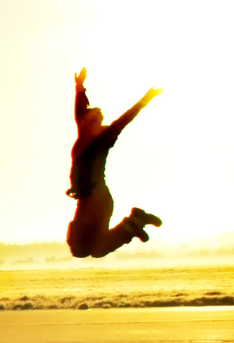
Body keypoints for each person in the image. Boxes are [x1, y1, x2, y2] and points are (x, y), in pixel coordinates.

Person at [66, 68, 162, 257]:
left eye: (95, 118)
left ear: (98, 123)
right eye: (88, 117)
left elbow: (127, 117)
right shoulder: (83, 133)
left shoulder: (105, 138)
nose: (88, 120)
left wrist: (147, 98)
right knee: (89, 249)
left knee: (84, 248)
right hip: (88, 200)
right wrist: (79, 87)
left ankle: (134, 223)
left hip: (97, 198)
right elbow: (80, 111)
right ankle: (134, 223)